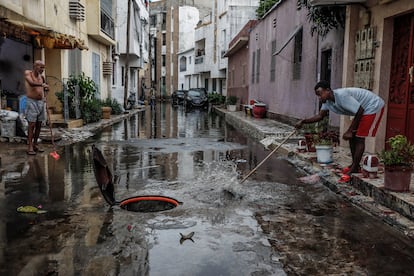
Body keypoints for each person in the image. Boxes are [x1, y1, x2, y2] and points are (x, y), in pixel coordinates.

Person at [295, 80, 385, 176]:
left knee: (359, 138)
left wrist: (350, 130)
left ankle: (355, 167)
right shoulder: (327, 101)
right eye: (318, 95)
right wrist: (304, 121)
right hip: (361, 110)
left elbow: (360, 110)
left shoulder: (342, 96)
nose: (319, 97)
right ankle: (355, 165)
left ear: (328, 90)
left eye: (320, 94)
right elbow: (320, 116)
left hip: (371, 106)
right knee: (352, 137)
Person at [24, 60, 49, 155]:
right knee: (32, 125)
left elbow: (45, 89)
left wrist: (46, 91)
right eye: (41, 67)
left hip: (40, 102)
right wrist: (43, 85)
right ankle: (30, 146)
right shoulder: (28, 73)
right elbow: (31, 83)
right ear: (35, 66)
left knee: (39, 124)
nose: (42, 69)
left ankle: (35, 145)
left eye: (43, 67)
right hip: (31, 102)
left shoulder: (42, 77)